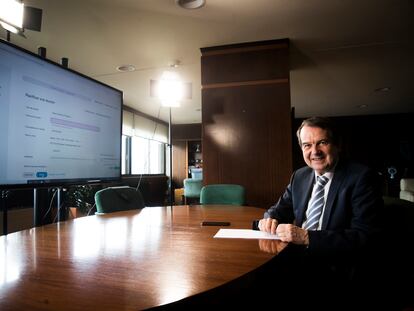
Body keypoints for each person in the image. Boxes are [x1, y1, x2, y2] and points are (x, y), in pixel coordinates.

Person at [256, 116, 385, 309]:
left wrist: (307, 237)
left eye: (322, 143)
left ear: (337, 145)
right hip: (296, 259)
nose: (314, 152)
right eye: (307, 145)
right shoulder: (299, 176)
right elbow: (279, 209)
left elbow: (365, 236)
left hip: (337, 268)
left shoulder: (361, 177)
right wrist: (269, 218)